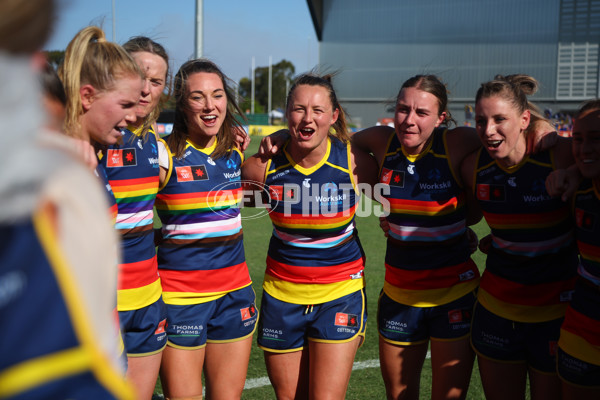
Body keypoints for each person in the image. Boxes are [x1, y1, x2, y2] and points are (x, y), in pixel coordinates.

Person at [0, 0, 133, 398]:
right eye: (126, 104)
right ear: (88, 95)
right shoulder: (58, 178)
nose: (134, 116)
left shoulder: (93, 156)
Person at [242, 73, 379, 399]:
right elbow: (223, 206)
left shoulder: (354, 163)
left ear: (333, 116)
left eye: (318, 110)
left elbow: (397, 197)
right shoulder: (261, 170)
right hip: (282, 296)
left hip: (340, 295)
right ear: (286, 113)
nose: (307, 118)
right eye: (298, 109)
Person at [353, 75, 483, 400]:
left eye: (421, 113)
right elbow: (343, 143)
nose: (409, 120)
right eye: (402, 109)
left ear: (441, 118)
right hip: (400, 297)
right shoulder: (382, 142)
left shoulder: (456, 142)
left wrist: (539, 129)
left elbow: (507, 136)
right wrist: (386, 207)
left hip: (454, 297)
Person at [462, 74, 578, 400]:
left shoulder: (561, 156)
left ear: (525, 119)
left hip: (558, 317)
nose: (488, 130)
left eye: (500, 119)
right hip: (496, 314)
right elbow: (466, 216)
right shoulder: (473, 166)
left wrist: (570, 170)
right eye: (481, 120)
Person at [154, 59, 257, 399]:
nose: (210, 106)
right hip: (181, 298)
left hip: (234, 295)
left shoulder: (234, 152)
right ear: (182, 104)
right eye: (198, 97)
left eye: (217, 95)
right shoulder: (163, 155)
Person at [97, 36, 170, 400]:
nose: (145, 88)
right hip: (98, 304)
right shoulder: (90, 138)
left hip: (147, 300)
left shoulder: (158, 147)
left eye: (155, 82)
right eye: (138, 75)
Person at [546, 99, 600, 399]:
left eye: (596, 139)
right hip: (582, 334)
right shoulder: (575, 190)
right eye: (578, 139)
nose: (584, 148)